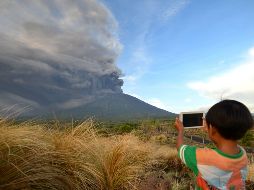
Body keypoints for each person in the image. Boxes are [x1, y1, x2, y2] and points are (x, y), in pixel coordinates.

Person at [174, 100, 253, 190]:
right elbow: (223, 146)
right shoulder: (242, 154)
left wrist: (180, 131)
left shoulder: (201, 157)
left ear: (212, 128)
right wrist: (212, 130)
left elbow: (180, 148)